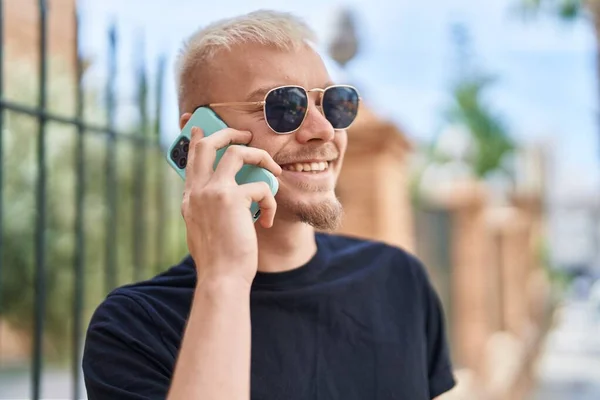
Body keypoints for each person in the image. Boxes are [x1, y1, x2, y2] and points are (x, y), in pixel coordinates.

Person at [82, 10, 456, 400]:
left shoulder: (398, 279)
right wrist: (224, 279)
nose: (324, 130)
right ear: (200, 135)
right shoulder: (134, 329)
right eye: (282, 107)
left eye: (334, 103)